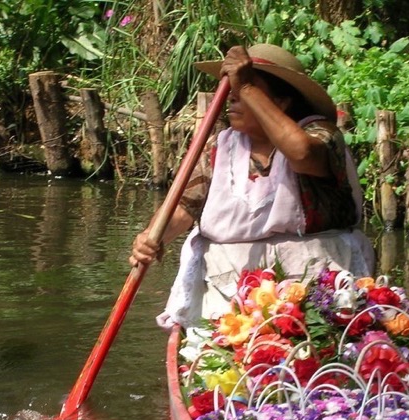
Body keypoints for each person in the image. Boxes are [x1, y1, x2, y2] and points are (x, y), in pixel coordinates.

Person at [129, 44, 375, 329]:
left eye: (243, 90)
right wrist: (151, 238)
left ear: (281, 102)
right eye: (232, 90)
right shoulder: (220, 146)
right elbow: (185, 208)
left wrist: (246, 86)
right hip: (230, 291)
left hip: (317, 288)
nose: (233, 97)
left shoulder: (321, 134)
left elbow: (302, 154)